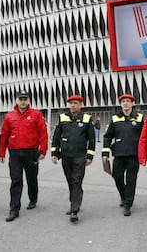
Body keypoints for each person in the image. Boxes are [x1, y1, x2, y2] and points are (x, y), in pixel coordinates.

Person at [0, 90, 48, 222]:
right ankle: (14, 209)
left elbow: (43, 133)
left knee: (32, 179)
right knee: (16, 180)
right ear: (16, 100)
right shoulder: (9, 116)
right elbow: (4, 135)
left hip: (31, 153)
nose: (23, 101)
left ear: (29, 101)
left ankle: (33, 198)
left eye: (25, 99)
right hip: (14, 153)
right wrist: (1, 152)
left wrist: (43, 150)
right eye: (20, 99)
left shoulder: (36, 115)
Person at [51, 95, 95, 223]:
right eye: (71, 103)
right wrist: (54, 153)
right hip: (65, 155)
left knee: (76, 181)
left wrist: (90, 156)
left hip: (80, 156)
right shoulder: (63, 117)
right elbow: (56, 137)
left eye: (75, 103)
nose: (73, 105)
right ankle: (74, 202)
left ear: (81, 105)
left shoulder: (87, 119)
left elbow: (91, 139)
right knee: (70, 181)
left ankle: (74, 210)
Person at [102, 94, 144, 216]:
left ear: (132, 104)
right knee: (117, 176)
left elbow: (144, 137)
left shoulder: (140, 118)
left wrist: (144, 154)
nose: (125, 103)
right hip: (119, 154)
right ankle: (124, 196)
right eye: (123, 101)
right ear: (121, 104)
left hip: (133, 155)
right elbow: (108, 136)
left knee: (131, 180)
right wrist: (105, 153)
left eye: (128, 101)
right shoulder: (115, 118)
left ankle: (127, 204)